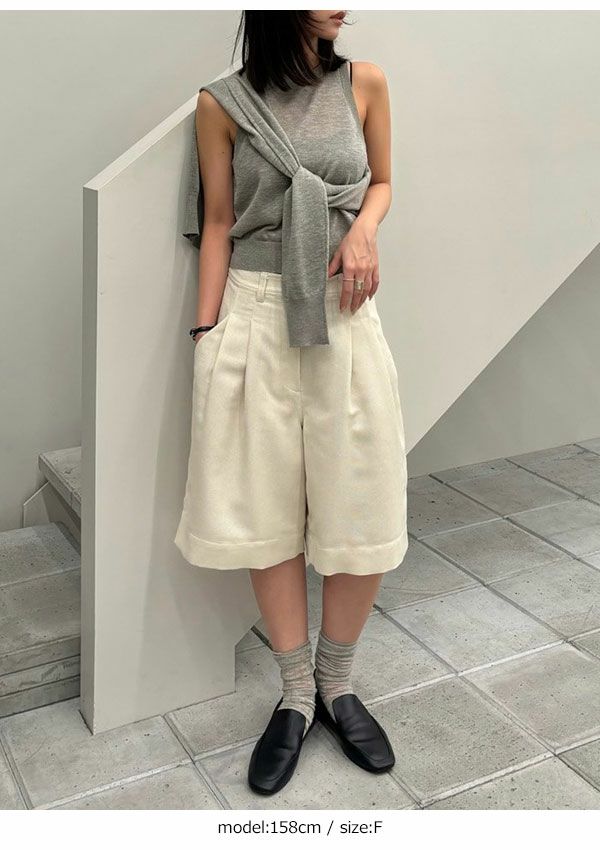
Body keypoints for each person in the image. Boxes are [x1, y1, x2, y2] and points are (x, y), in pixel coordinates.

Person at [174, 10, 408, 795]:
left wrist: (364, 229)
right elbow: (216, 222)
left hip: (345, 314)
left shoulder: (364, 83)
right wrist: (206, 335)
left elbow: (382, 182)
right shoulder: (221, 104)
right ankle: (297, 696)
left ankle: (339, 685)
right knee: (265, 509)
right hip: (253, 311)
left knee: (361, 502)